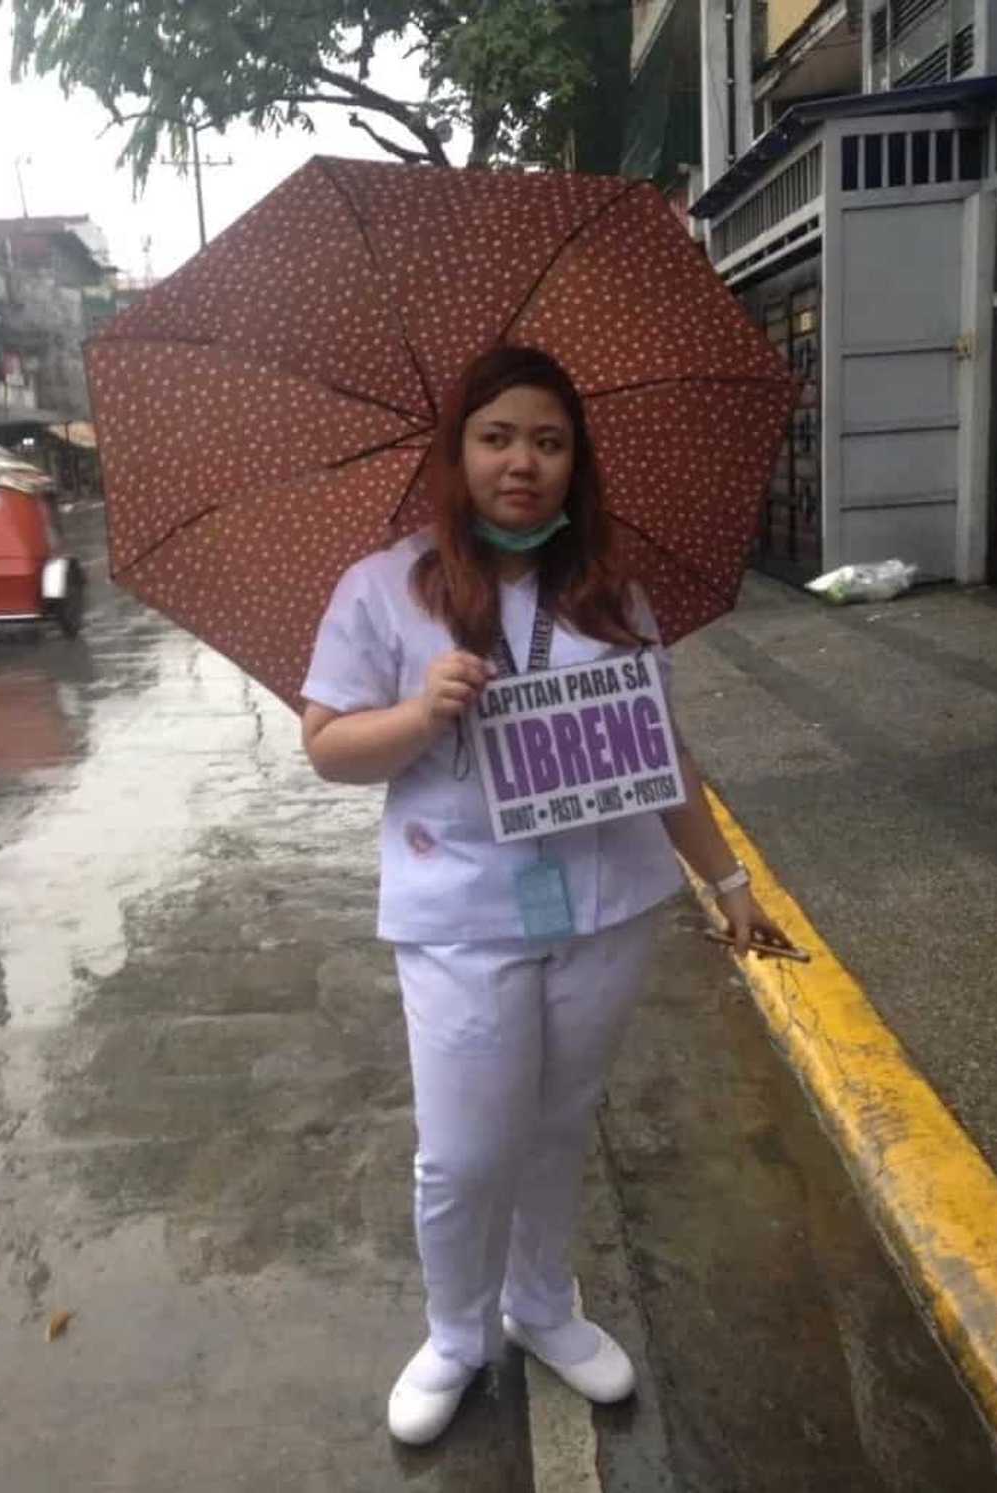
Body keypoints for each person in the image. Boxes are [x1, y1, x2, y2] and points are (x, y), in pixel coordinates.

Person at [301, 344, 791, 1446]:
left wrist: (727, 880)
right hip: (459, 910)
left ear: (576, 461)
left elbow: (659, 744)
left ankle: (541, 1303)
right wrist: (421, 713)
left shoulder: (609, 590)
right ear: (457, 451)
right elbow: (328, 746)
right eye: (497, 436)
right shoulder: (385, 585)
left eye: (549, 439)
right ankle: (457, 1330)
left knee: (559, 1123)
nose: (522, 461)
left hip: (603, 903)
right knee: (467, 1148)